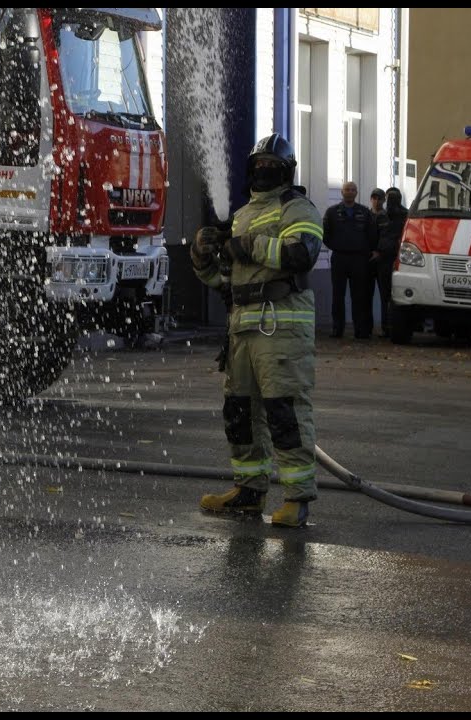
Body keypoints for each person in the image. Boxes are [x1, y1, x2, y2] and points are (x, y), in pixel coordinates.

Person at [191, 133, 324, 528]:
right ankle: (249, 493)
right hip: (243, 331)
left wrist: (247, 246)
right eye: (259, 166)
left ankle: (297, 499)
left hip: (281, 327)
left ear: (286, 172)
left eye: (271, 167)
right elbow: (224, 281)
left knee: (285, 413)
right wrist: (202, 257)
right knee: (239, 414)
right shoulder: (242, 215)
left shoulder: (298, 208)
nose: (264, 172)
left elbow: (302, 254)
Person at [322, 181, 379, 339]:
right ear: (342, 192)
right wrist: (337, 245)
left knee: (359, 296)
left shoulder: (364, 212)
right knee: (337, 295)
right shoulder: (332, 212)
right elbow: (325, 234)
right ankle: (337, 329)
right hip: (339, 258)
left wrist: (370, 250)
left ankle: (360, 330)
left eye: (353, 189)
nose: (350, 192)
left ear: (356, 193)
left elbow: (372, 233)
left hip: (359, 259)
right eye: (347, 189)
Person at [374, 187, 409, 337]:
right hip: (394, 259)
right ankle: (390, 326)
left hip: (391, 259)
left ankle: (388, 326)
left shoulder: (386, 215)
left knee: (387, 296)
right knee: (392, 295)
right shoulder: (403, 215)